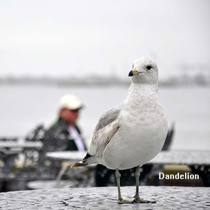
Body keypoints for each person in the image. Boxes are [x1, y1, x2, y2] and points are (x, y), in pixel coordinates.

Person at [38, 94, 86, 178]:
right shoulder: (55, 130)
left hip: (78, 169)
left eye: (78, 110)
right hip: (64, 174)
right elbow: (54, 159)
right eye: (73, 110)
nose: (76, 114)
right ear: (62, 111)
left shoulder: (75, 128)